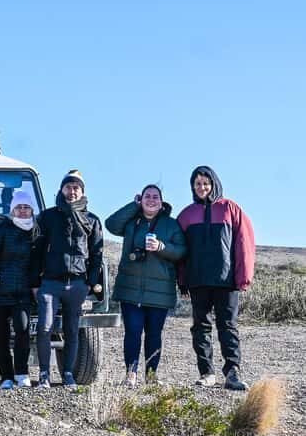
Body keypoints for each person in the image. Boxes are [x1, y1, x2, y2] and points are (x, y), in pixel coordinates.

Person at [177, 166, 255, 391]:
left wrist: (243, 276)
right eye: (197, 184)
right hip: (198, 280)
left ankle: (232, 372)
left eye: (206, 183)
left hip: (226, 281)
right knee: (200, 327)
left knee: (228, 326)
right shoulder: (186, 215)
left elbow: (244, 243)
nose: (202, 187)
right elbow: (180, 250)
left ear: (214, 184)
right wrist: (182, 280)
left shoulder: (230, 208)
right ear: (192, 187)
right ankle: (207, 373)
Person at [106, 185, 187, 387]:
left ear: (161, 202)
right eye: (147, 196)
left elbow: (181, 251)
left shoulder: (171, 225)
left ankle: (151, 376)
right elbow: (111, 225)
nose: (151, 200)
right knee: (132, 332)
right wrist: (132, 206)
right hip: (130, 289)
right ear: (140, 200)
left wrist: (161, 247)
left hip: (160, 292)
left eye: (155, 197)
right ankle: (131, 374)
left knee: (154, 335)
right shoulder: (131, 221)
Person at [31, 170, 104, 390]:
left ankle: (68, 375)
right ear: (61, 190)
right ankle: (44, 374)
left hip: (78, 283)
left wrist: (90, 282)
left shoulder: (92, 220)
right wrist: (35, 283)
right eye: (68, 187)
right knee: (44, 327)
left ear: (82, 191)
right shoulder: (47, 217)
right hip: (50, 283)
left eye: (76, 188)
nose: (72, 191)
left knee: (72, 330)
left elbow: (97, 254)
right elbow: (36, 251)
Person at [0, 190, 36, 389]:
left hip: (24, 292)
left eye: (26, 207)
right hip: (0, 291)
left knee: (23, 330)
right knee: (1, 335)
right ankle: (6, 377)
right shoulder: (0, 230)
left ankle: (22, 373)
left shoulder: (37, 231)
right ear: (12, 210)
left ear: (32, 210)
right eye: (19, 207)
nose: (23, 211)